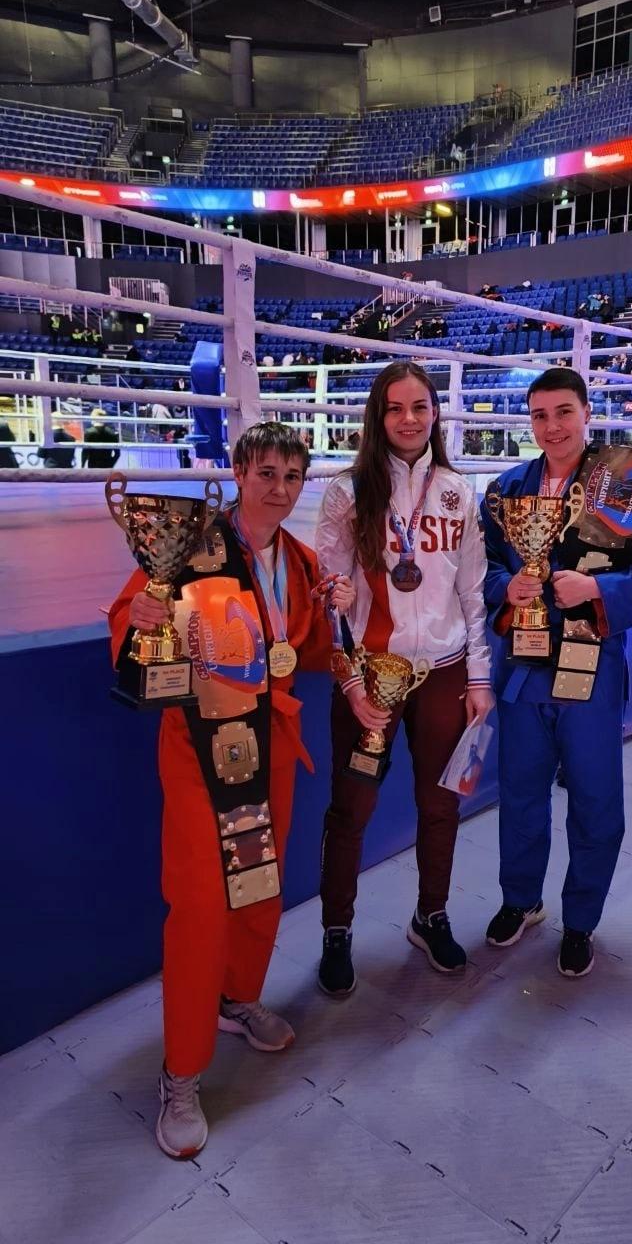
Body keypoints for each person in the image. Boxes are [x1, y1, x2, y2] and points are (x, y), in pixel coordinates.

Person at [108, 421, 354, 1159]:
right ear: (239, 473)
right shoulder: (187, 544)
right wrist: (140, 619)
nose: (279, 488)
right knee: (201, 906)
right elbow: (129, 620)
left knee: (259, 889)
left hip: (269, 744)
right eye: (266, 473)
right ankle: (181, 1073)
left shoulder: (301, 562)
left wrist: (337, 610)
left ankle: (237, 999)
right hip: (198, 746)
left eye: (291, 476)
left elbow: (305, 651)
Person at [480, 367, 632, 978]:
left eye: (564, 412)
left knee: (594, 798)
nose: (552, 427)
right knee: (520, 793)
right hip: (523, 666)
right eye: (539, 415)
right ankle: (521, 900)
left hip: (590, 664)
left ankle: (581, 921)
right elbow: (482, 568)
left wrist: (598, 588)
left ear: (587, 413)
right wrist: (505, 587)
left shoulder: (623, 480)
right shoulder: (507, 489)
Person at [314, 361, 493, 995]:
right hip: (371, 677)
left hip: (444, 672)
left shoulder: (458, 490)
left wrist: (479, 677)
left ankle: (430, 914)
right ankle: (337, 930)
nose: (408, 419)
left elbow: (473, 592)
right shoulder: (346, 492)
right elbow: (329, 600)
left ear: (435, 413)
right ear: (377, 415)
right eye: (395, 408)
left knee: (440, 804)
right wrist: (350, 685)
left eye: (420, 406)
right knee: (352, 807)